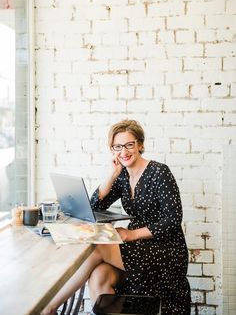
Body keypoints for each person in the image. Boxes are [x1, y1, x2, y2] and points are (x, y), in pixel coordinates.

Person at [41, 119, 191, 315]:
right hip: (139, 249)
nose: (124, 152)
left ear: (140, 145)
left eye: (129, 145)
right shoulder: (122, 176)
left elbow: (172, 220)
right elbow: (95, 205)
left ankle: (49, 308)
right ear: (112, 150)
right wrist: (112, 174)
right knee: (99, 276)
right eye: (117, 147)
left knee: (97, 247)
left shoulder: (159, 172)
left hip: (166, 250)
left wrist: (131, 235)